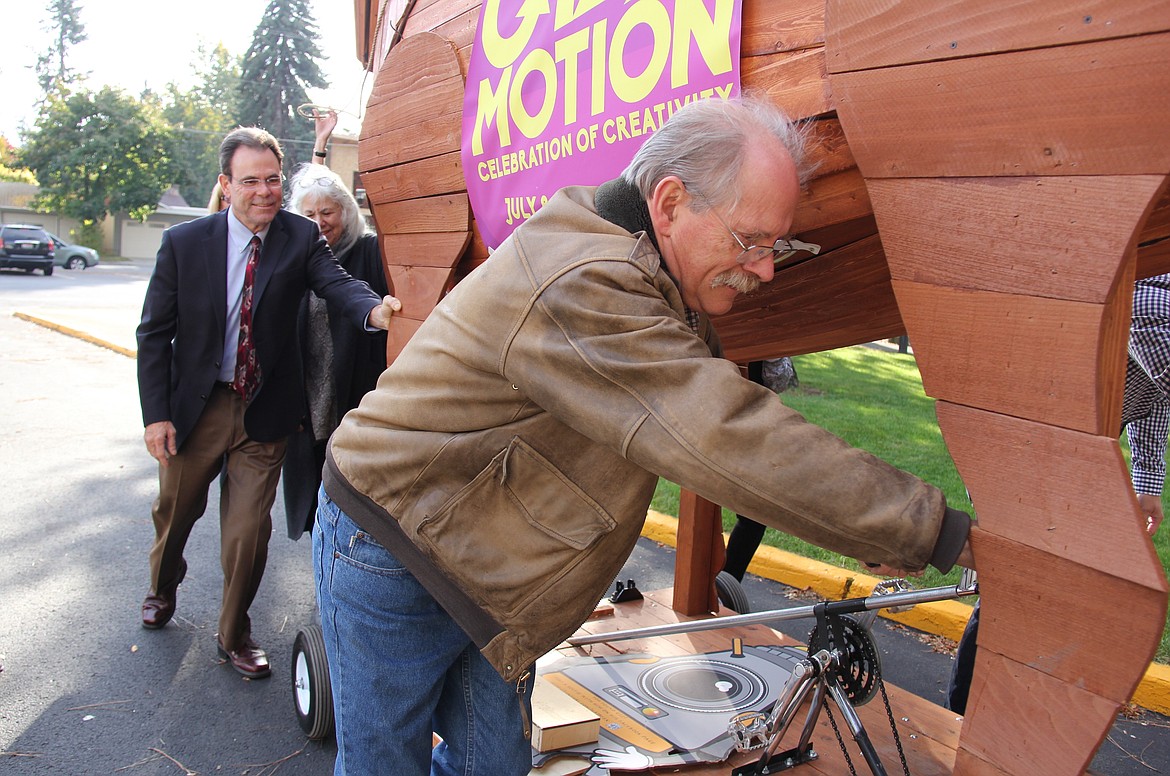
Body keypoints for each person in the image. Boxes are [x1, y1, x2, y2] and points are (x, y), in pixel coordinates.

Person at [314, 96, 973, 774]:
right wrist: (922, 526)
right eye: (752, 242)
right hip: (392, 543)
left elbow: (729, 430)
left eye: (778, 247)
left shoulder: (640, 271)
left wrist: (867, 520)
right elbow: (726, 437)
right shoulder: (589, 281)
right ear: (669, 202)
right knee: (382, 765)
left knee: (493, 764)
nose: (767, 269)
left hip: (476, 558)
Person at [136, 126, 401, 680]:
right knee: (175, 514)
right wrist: (156, 415)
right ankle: (163, 584)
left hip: (264, 412)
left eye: (273, 179)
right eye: (250, 180)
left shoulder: (301, 237)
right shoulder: (185, 244)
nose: (264, 191)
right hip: (197, 409)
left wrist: (374, 311)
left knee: (249, 534)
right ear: (226, 185)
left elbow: (337, 282)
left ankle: (234, 633)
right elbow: (154, 334)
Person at [946, 272, 1169, 714]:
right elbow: (1144, 322)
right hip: (1022, 446)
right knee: (1018, 587)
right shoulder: (1150, 304)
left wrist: (1148, 486)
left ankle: (1019, 714)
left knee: (1059, 591)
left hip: (1076, 454)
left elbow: (1152, 394)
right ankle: (965, 718)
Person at [281, 138, 389, 541]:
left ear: (345, 212)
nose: (319, 221)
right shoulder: (295, 261)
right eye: (308, 214)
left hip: (353, 392)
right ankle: (322, 556)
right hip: (306, 398)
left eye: (328, 212)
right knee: (311, 491)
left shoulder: (369, 252)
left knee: (349, 490)